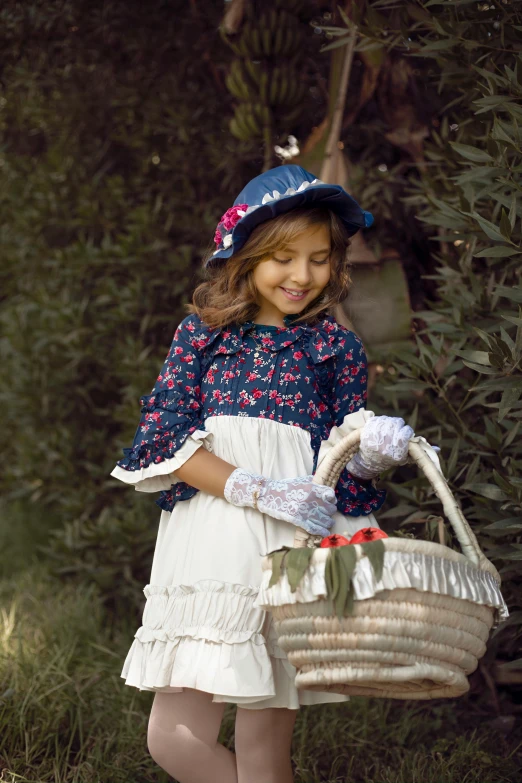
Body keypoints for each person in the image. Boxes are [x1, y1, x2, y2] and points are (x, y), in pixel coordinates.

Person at [110, 164, 416, 783]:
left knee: (264, 748)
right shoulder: (204, 337)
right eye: (282, 257)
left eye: (319, 258)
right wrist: (256, 488)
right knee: (173, 738)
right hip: (213, 549)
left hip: (289, 553)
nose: (302, 276)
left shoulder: (334, 349)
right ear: (244, 253)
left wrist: (372, 453)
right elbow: (163, 439)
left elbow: (341, 471)